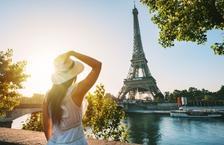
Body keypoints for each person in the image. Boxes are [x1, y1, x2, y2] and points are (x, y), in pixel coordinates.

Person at [43, 50, 101, 145]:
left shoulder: (48, 95)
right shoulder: (76, 92)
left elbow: (46, 126)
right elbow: (97, 65)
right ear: (74, 75)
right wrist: (72, 53)